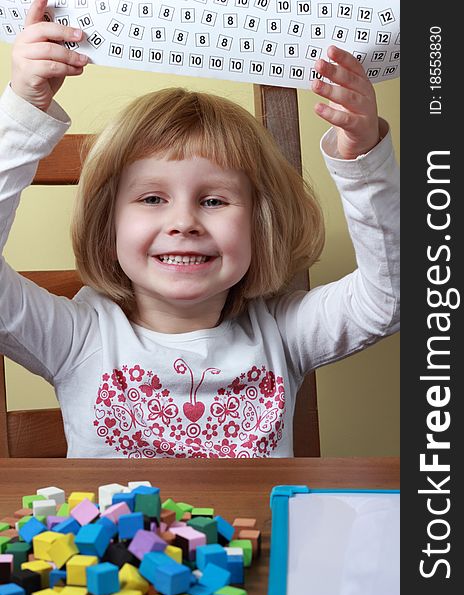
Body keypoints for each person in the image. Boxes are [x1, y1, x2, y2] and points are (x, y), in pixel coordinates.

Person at [0, 0, 399, 458]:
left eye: (213, 201)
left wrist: (362, 156)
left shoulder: (285, 333)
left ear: (259, 224)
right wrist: (23, 110)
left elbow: (391, 296)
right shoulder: (75, 336)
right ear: (106, 226)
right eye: (152, 199)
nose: (184, 222)